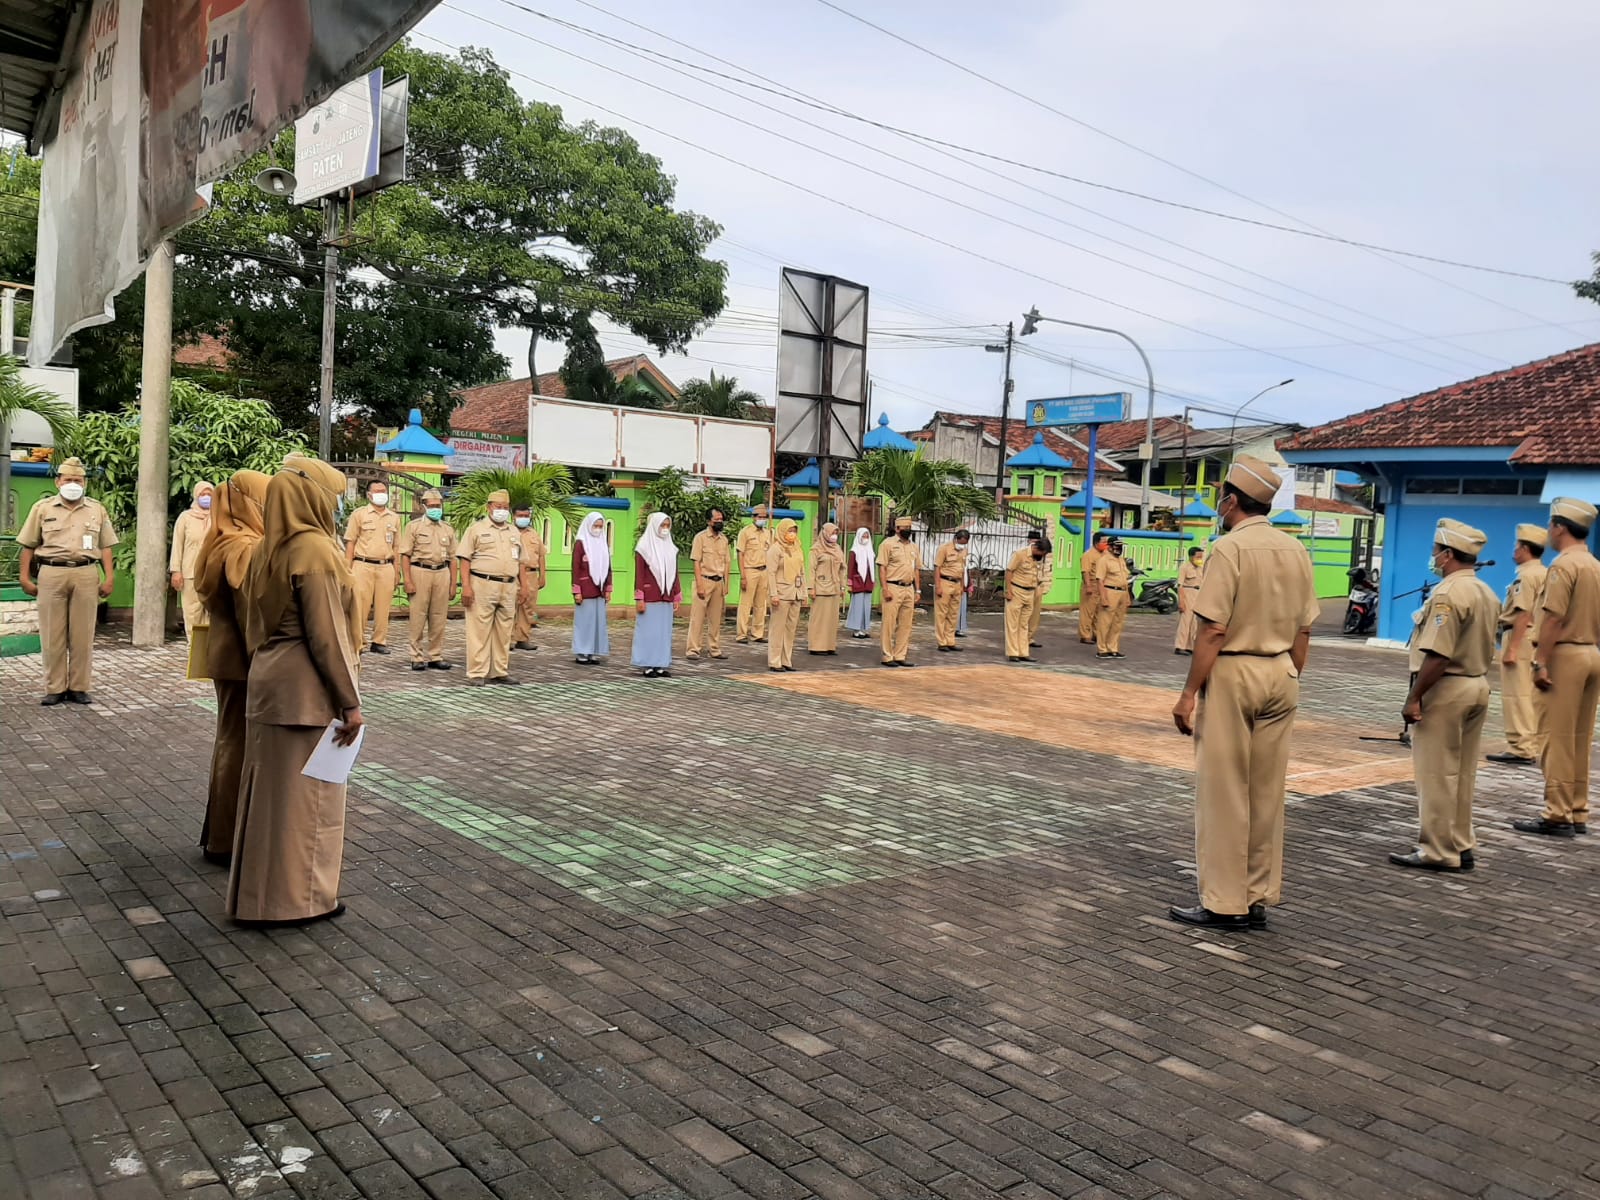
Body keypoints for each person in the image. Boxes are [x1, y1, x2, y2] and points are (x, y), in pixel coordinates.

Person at [1169, 455, 1318, 930]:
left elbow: (1213, 629)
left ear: (1231, 501)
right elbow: (1305, 630)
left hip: (1236, 672)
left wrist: (1189, 693)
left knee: (1225, 790)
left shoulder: (1228, 550)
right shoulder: (1295, 549)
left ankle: (1223, 902)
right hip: (1281, 672)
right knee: (1266, 790)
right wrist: (1287, 671)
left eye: (1220, 495)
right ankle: (1256, 896)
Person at [230, 456, 362, 927]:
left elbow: (251, 625)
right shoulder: (316, 551)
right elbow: (326, 636)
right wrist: (350, 701)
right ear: (312, 497)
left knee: (271, 801)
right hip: (306, 692)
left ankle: (260, 899)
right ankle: (301, 901)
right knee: (308, 806)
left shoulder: (267, 547)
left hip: (269, 681)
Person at [1390, 520, 1498, 872]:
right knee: (1463, 773)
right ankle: (1460, 844)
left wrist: (1414, 697)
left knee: (1436, 773)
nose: (1433, 557)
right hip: (1477, 684)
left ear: (1448, 554)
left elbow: (1438, 654)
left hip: (1447, 689)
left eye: (1436, 551)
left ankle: (1437, 849)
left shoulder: (1448, 594)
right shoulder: (1485, 591)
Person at [191, 470, 271, 864]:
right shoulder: (243, 547)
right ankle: (227, 840)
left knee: (228, 741)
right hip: (242, 658)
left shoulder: (219, 538)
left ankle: (219, 834)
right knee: (238, 746)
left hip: (225, 654)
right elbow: (250, 612)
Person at [1513, 497, 1600, 838]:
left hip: (1564, 655)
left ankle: (1557, 813)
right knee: (1579, 739)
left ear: (1560, 527)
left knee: (1555, 739)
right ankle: (1577, 809)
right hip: (1591, 652)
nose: (1548, 531)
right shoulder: (1594, 564)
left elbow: (1553, 618)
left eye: (1550, 525)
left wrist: (1540, 662)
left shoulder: (1563, 566)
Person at [16, 456, 119, 706]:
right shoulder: (43, 508)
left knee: (83, 635)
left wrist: (109, 577)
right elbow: (28, 545)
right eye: (68, 479)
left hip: (86, 573)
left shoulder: (97, 509)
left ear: (84, 483)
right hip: (51, 573)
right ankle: (55, 687)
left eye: (78, 480)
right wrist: (24, 577)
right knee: (52, 634)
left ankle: (79, 687)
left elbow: (106, 546)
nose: (73, 483)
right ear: (58, 482)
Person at [1487, 524, 1549, 766]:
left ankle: (1521, 747)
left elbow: (1523, 613)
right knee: (1531, 695)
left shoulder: (1526, 576)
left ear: (1525, 549)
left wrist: (1511, 648)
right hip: (1536, 637)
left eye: (1516, 546)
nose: (1513, 550)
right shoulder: (1544, 573)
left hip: (1521, 637)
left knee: (1517, 694)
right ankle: (1531, 743)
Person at [455, 489, 522, 686]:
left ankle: (499, 671)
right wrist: (466, 587)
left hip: (508, 585)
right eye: (497, 507)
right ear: (488, 507)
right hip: (482, 584)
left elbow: (521, 561)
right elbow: (465, 559)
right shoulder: (476, 529)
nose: (501, 510)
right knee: (479, 630)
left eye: (505, 507)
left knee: (504, 631)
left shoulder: (513, 531)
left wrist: (523, 587)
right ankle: (476, 672)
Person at [398, 488, 457, 672]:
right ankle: (416, 656)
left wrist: (454, 583)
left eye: (438, 506)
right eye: (431, 506)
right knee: (418, 616)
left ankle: (435, 655)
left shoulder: (447, 528)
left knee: (439, 617)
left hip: (442, 572)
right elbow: (405, 555)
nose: (435, 509)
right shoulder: (413, 527)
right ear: (424, 506)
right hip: (420, 571)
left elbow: (453, 558)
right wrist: (407, 580)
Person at [343, 479, 401, 655]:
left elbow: (397, 547)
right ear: (369, 495)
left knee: (384, 607)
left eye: (383, 490)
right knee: (360, 606)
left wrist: (397, 571)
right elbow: (351, 542)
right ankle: (358, 641)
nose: (381, 494)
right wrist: (348, 568)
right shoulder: (359, 515)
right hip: (362, 565)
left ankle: (379, 641)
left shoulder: (394, 517)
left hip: (385, 566)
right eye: (376, 491)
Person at [633, 512, 682, 678]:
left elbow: (675, 573)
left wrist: (676, 594)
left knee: (663, 632)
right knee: (649, 632)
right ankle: (648, 665)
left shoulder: (670, 548)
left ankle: (661, 664)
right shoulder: (643, 547)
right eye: (662, 525)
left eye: (668, 525)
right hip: (650, 596)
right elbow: (639, 574)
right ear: (654, 525)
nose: (665, 529)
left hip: (666, 596)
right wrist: (640, 597)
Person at [169, 480, 214, 644]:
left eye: (210, 494)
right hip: (190, 574)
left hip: (212, 574)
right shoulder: (185, 518)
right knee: (192, 615)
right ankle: (193, 654)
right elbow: (178, 545)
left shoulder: (218, 517)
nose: (207, 497)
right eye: (203, 494)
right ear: (196, 495)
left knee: (212, 615)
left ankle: (210, 657)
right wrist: (176, 571)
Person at [686, 508, 731, 660]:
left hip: (719, 582)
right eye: (716, 520)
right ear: (708, 521)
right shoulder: (700, 538)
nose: (719, 522)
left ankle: (714, 648)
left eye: (721, 519)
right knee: (697, 618)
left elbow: (727, 562)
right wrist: (699, 585)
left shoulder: (724, 540)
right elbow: (696, 562)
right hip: (704, 580)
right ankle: (693, 649)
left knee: (716, 619)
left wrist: (726, 584)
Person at [877, 516, 921, 667]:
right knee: (889, 623)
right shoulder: (887, 544)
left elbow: (916, 569)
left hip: (909, 588)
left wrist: (918, 590)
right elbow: (882, 567)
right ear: (897, 529)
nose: (907, 531)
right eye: (904, 528)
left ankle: (900, 655)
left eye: (909, 528)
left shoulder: (914, 547)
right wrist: (885, 589)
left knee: (906, 624)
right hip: (893, 587)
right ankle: (887, 655)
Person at [766, 517, 808, 671]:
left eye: (794, 531)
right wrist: (773, 594)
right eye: (789, 531)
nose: (792, 534)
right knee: (777, 628)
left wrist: (804, 593)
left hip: (795, 592)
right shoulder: (775, 549)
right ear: (782, 531)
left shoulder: (798, 547)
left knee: (790, 628)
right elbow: (770, 573)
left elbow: (802, 572)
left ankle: (786, 659)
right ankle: (774, 660)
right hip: (781, 593)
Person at [572, 512, 613, 665]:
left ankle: (594, 651)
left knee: (598, 621)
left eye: (600, 526)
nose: (597, 529)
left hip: (600, 589)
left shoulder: (603, 543)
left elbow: (608, 567)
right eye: (595, 526)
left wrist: (608, 587)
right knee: (584, 621)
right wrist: (577, 590)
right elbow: (576, 568)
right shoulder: (581, 543)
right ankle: (582, 652)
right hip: (585, 588)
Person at [1004, 536, 1049, 662]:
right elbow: (1009, 571)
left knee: (1024, 624)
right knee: (1013, 623)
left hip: (1030, 592)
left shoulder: (1036, 558)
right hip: (1017, 591)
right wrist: (1008, 591)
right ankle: (1013, 652)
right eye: (1042, 553)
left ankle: (1023, 652)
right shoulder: (1020, 554)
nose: (1043, 556)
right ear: (1037, 548)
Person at [735, 504, 774, 643]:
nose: (762, 519)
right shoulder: (745, 532)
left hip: (764, 570)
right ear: (753, 517)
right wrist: (743, 576)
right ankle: (741, 634)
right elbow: (740, 554)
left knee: (761, 604)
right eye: (759, 517)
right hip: (750, 570)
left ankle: (757, 633)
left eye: (764, 517)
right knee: (745, 604)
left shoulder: (768, 533)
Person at [512, 504, 547, 651]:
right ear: (513, 516)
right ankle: (509, 640)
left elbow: (541, 556)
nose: (523, 519)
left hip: (531, 574)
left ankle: (523, 638)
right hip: (513, 574)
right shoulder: (509, 532)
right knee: (511, 607)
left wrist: (543, 576)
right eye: (520, 516)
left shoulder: (534, 534)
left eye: (526, 516)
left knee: (528, 607)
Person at [808, 522, 846, 655]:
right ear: (824, 533)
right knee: (819, 618)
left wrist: (842, 586)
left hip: (835, 587)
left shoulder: (838, 549)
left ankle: (829, 646)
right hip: (821, 587)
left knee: (832, 619)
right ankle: (816, 646)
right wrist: (810, 588)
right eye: (832, 533)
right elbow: (811, 569)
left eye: (836, 533)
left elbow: (842, 569)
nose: (834, 536)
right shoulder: (816, 549)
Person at [933, 530, 970, 652]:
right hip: (945, 582)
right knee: (941, 613)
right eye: (961, 542)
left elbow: (963, 568)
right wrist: (938, 586)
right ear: (956, 538)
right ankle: (941, 642)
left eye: (965, 543)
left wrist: (962, 586)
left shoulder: (964, 550)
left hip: (957, 583)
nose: (962, 545)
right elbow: (937, 567)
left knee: (954, 614)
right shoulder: (944, 548)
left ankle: (950, 640)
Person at [1094, 538, 1132, 658]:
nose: (1119, 549)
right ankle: (1102, 649)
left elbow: (1125, 580)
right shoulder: (1104, 560)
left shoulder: (1121, 560)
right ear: (1109, 547)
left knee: (1118, 622)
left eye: (1120, 546)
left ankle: (1113, 647)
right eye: (1116, 546)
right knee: (1105, 622)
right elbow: (1100, 580)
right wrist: (1103, 598)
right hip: (1110, 591)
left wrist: (1127, 596)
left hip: (1122, 592)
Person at [1078, 530, 1109, 644]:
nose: (1106, 544)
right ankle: (1085, 635)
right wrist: (1088, 586)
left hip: (1101, 586)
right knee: (1087, 612)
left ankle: (1096, 634)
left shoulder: (1105, 554)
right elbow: (1085, 571)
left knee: (1098, 612)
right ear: (1096, 543)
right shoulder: (1088, 555)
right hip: (1091, 585)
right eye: (1103, 542)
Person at [846, 527, 876, 640]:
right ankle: (856, 629)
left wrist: (874, 580)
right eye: (863, 536)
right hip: (858, 581)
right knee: (857, 606)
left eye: (867, 536)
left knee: (866, 606)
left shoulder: (870, 551)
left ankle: (863, 629)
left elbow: (872, 568)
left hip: (868, 582)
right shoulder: (854, 551)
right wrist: (850, 581)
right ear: (858, 536)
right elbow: (851, 567)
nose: (865, 538)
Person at [1174, 546, 1205, 655]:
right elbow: (1180, 585)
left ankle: (1190, 646)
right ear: (1191, 557)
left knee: (1195, 623)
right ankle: (1180, 646)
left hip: (1198, 594)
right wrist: (1181, 601)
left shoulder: (1201, 568)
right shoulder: (1184, 567)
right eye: (1198, 556)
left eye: (1201, 556)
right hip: (1187, 593)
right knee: (1185, 622)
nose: (1200, 559)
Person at [1026, 528, 1050, 650]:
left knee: (1035, 615)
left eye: (1036, 541)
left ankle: (1030, 637)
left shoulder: (1040, 554)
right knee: (1025, 614)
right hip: (1026, 587)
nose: (1034, 543)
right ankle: (1022, 638)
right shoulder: (1023, 553)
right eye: (1032, 541)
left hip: (1038, 585)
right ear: (1028, 540)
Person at [956, 529, 974, 638]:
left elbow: (966, 568)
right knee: (953, 609)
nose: (963, 546)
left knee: (962, 607)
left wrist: (969, 585)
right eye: (961, 543)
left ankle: (959, 629)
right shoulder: (947, 549)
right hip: (953, 583)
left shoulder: (965, 552)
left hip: (964, 583)